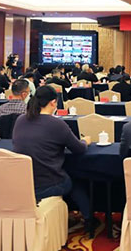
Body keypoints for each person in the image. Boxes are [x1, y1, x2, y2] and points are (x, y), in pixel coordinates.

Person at [12, 85, 94, 227]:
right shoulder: (57, 124)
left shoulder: (20, 120)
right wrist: (85, 141)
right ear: (53, 102)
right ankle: (89, 220)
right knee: (74, 179)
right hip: (47, 184)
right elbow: (79, 149)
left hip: (23, 183)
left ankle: (68, 216)